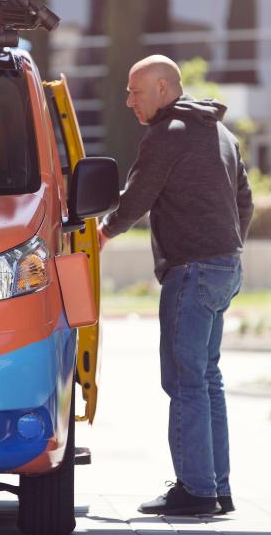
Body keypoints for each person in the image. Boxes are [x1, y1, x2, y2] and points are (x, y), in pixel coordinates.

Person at [99, 55, 253, 516]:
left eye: (135, 91)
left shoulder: (168, 135)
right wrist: (226, 245)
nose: (128, 101)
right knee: (207, 379)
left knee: (185, 381)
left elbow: (137, 197)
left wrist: (102, 233)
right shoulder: (220, 134)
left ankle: (195, 491)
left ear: (163, 88)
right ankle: (216, 487)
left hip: (193, 271)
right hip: (224, 267)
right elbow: (245, 201)